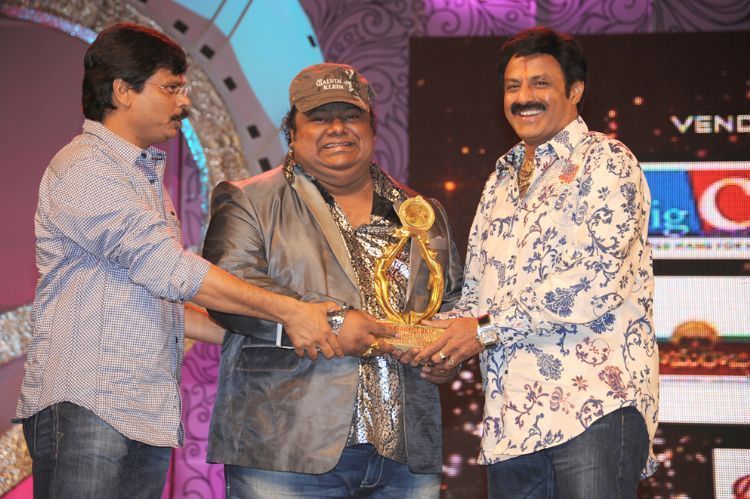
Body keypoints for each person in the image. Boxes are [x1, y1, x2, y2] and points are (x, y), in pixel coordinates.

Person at [15, 23, 341, 499]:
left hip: (143, 412)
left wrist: (278, 335)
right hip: (88, 405)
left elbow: (162, 303)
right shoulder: (86, 167)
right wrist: (290, 310)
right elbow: (172, 271)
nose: (184, 102)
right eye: (170, 88)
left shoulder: (142, 175)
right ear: (123, 91)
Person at [410, 27, 659, 498]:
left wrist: (480, 330)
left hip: (593, 406)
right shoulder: (501, 180)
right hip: (512, 420)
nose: (524, 97)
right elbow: (478, 295)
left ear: (575, 91)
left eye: (540, 83)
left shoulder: (607, 161)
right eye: (513, 86)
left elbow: (594, 281)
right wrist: (434, 343)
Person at [202, 62, 464, 498]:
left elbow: (450, 302)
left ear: (372, 127)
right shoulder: (249, 199)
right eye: (319, 117)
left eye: (350, 115)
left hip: (404, 456)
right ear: (292, 132)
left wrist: (445, 354)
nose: (337, 128)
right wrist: (334, 323)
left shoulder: (420, 211)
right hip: (285, 448)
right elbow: (227, 289)